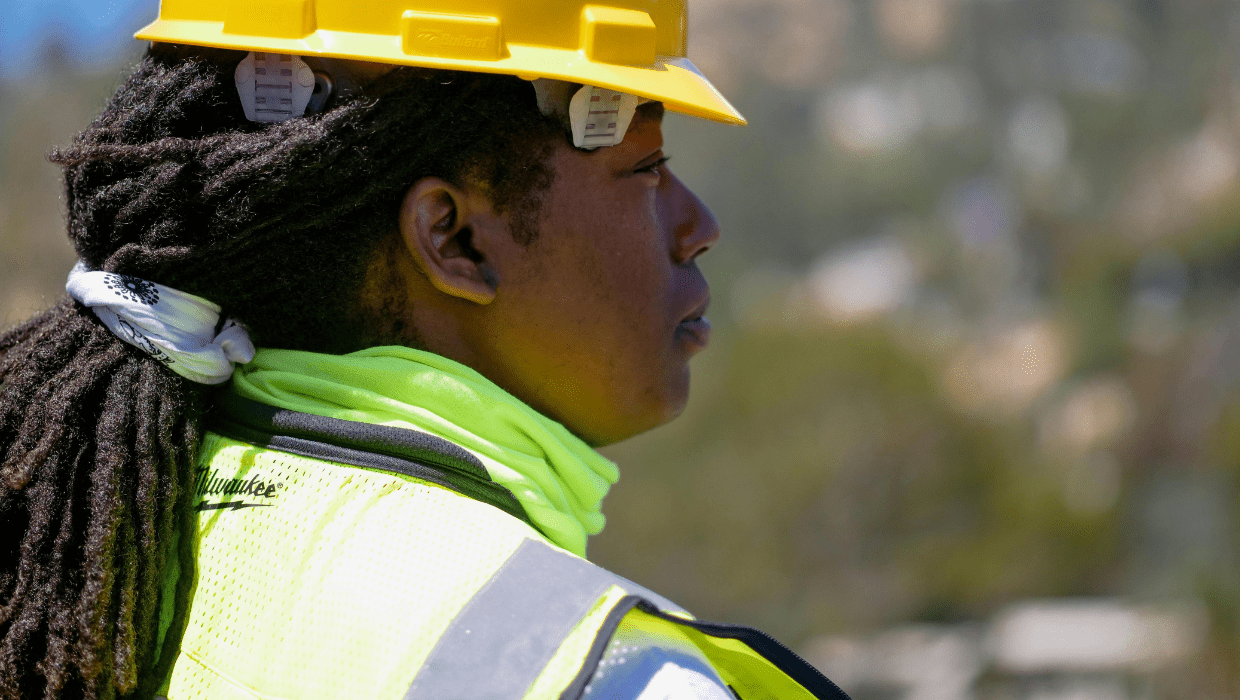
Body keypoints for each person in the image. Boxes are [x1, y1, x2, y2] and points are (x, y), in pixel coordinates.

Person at [0, 1, 851, 698]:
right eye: (646, 167)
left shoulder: (89, 518)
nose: (700, 225)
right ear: (454, 239)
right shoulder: (604, 677)